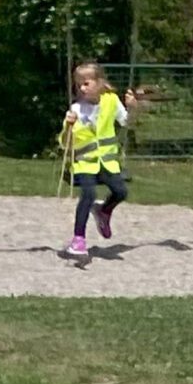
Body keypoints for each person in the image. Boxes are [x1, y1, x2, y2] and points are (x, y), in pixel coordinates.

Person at [61, 60, 147, 265]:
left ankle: (104, 211)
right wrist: (69, 126)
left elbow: (128, 123)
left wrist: (134, 108)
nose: (82, 88)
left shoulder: (111, 101)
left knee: (121, 192)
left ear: (99, 83)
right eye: (78, 84)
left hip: (107, 162)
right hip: (84, 163)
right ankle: (78, 240)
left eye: (86, 83)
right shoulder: (76, 108)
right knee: (88, 194)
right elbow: (65, 142)